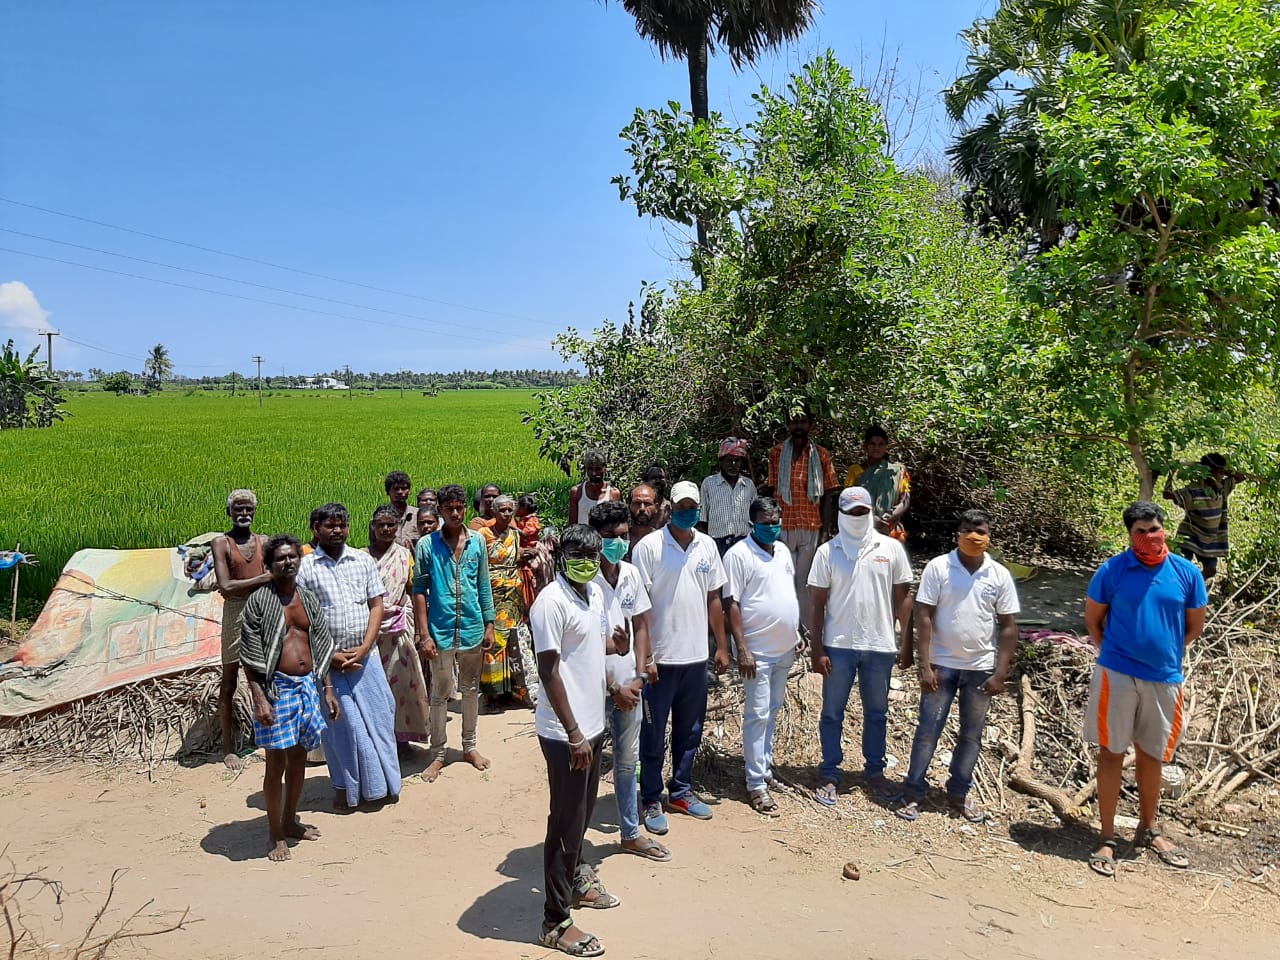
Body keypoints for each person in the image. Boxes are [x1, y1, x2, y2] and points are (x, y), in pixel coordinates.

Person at [1084, 501, 1206, 877]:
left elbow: (1194, 627)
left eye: (1155, 529)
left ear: (1163, 529)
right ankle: (1107, 837)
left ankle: (1148, 828)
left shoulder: (1187, 573)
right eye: (1142, 532)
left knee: (1153, 755)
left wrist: (1161, 653)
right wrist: (1120, 653)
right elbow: (1094, 620)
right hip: (1116, 674)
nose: (1150, 538)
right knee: (1111, 753)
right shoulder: (1112, 570)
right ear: (1130, 535)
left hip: (1165, 678)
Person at [530, 524, 621, 957]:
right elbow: (549, 670)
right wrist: (572, 733)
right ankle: (554, 921)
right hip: (567, 733)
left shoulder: (595, 592)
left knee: (580, 818)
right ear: (560, 555)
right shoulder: (550, 602)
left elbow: (583, 644)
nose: (586, 559)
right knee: (565, 823)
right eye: (577, 553)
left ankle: (573, 886)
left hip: (592, 724)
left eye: (592, 552)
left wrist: (612, 644)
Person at [895, 510, 1019, 824]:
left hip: (980, 670)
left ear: (989, 537)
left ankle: (959, 792)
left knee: (971, 736)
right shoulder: (939, 568)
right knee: (926, 732)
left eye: (980, 531)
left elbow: (1008, 626)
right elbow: (922, 616)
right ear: (957, 534)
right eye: (967, 530)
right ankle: (913, 792)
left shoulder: (999, 575)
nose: (974, 537)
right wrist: (925, 666)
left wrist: (1000, 672)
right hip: (941, 665)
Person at [631, 480, 729, 831]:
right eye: (681, 507)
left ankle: (682, 790)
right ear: (669, 509)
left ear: (699, 509)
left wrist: (720, 645)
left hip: (695, 658)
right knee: (653, 734)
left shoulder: (707, 546)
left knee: (691, 729)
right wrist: (645, 657)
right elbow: (638, 607)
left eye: (693, 507)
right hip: (660, 659)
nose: (688, 512)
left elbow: (714, 598)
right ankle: (650, 798)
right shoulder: (649, 547)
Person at [809, 487, 914, 807]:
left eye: (862, 512)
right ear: (841, 514)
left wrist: (906, 642)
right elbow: (817, 605)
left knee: (878, 713)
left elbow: (903, 598)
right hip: (838, 645)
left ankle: (875, 773)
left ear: (870, 511)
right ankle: (829, 773)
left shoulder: (891, 548)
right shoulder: (828, 552)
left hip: (880, 646)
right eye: (852, 512)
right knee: (831, 713)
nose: (858, 517)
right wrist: (817, 649)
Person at [239, 534, 339, 861]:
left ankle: (291, 820)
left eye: (293, 556)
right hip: (276, 689)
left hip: (308, 686)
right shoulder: (259, 601)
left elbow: (320, 644)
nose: (288, 562)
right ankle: (275, 833)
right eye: (280, 558)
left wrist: (327, 688)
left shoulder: (308, 599)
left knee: (299, 758)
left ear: (300, 559)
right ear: (269, 565)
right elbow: (250, 655)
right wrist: (259, 698)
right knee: (275, 763)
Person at [296, 502, 399, 810]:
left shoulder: (362, 561)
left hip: (365, 660)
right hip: (328, 664)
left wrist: (366, 647)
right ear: (316, 529)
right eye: (330, 525)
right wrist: (330, 656)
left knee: (380, 720)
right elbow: (302, 620)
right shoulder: (305, 569)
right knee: (343, 728)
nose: (337, 529)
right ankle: (346, 789)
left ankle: (386, 785)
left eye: (342, 524)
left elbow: (376, 606)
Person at [587, 499, 670, 861]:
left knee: (625, 762)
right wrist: (612, 688)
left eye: (623, 535)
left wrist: (638, 675)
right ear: (595, 538)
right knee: (586, 768)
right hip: (591, 690)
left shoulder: (631, 573)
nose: (618, 542)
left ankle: (630, 833)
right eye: (610, 536)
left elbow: (641, 625)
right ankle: (574, 845)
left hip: (630, 688)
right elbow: (579, 646)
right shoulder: (583, 580)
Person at [413, 484, 497, 782]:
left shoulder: (476, 543)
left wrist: (490, 624)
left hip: (473, 627)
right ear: (440, 511)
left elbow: (483, 585)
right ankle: (438, 753)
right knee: (440, 692)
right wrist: (423, 634)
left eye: (460, 507)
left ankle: (470, 747)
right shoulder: (426, 545)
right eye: (449, 508)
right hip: (440, 629)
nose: (455, 513)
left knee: (471, 690)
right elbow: (419, 591)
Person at [724, 497, 799, 817]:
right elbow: (731, 604)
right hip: (757, 653)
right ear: (751, 524)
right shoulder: (738, 555)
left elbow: (787, 591)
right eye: (766, 522)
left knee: (773, 709)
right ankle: (755, 784)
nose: (772, 527)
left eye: (776, 521)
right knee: (757, 714)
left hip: (784, 648)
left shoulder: (782, 550)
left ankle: (766, 769)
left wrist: (798, 632)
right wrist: (741, 648)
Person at [211, 489, 271, 770]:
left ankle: (265, 737)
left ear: (255, 512)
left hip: (261, 609)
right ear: (229, 513)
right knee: (230, 679)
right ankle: (227, 747)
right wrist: (266, 577)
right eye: (238, 509)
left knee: (265, 674)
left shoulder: (264, 542)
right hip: (235, 612)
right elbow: (226, 587)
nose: (244, 514)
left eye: (248, 509)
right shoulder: (221, 543)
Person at [365, 504, 430, 757]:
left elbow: (414, 588)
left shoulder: (404, 555)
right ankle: (377, 742)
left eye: (390, 524)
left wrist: (418, 631)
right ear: (373, 527)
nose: (385, 529)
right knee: (374, 687)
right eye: (380, 525)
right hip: (369, 632)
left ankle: (402, 739)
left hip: (399, 629)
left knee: (402, 685)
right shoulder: (362, 557)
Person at [767, 409, 839, 630]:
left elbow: (829, 495)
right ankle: (788, 629)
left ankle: (809, 631)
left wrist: (826, 531)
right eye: (794, 422)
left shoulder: (821, 454)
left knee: (806, 582)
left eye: (803, 422)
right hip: (783, 526)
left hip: (811, 526)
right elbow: (771, 491)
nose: (798, 426)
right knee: (784, 579)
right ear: (787, 424)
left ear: (811, 424)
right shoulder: (777, 453)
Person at [1163, 453, 1252, 580]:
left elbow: (1240, 477)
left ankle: (1193, 584)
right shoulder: (1194, 490)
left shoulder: (1222, 488)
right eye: (1213, 472)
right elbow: (1167, 494)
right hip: (1190, 535)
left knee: (1210, 570)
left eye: (1220, 473)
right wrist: (1172, 471)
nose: (1217, 476)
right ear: (1204, 472)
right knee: (1180, 566)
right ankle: (1176, 587)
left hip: (1211, 539)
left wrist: (1225, 471)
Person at [480, 494, 531, 708]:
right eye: (502, 510)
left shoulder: (514, 534)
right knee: (493, 642)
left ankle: (513, 691)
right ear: (493, 511)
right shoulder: (482, 534)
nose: (507, 514)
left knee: (513, 640)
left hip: (513, 594)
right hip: (493, 593)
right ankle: (493, 694)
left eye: (510, 510)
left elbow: (515, 557)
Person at [846, 426, 911, 542]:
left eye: (881, 444)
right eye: (872, 444)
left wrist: (888, 517)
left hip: (890, 529)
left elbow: (905, 500)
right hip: (862, 528)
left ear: (886, 446)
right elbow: (849, 501)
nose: (876, 448)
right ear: (865, 446)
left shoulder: (898, 470)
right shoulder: (855, 471)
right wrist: (872, 519)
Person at [699, 437, 757, 556]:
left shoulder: (748, 485)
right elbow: (702, 520)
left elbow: (756, 517)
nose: (733, 464)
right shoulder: (709, 484)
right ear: (721, 461)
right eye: (729, 460)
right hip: (717, 544)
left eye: (737, 460)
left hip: (744, 542)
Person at [569, 450, 621, 525]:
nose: (594, 473)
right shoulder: (577, 492)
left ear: (605, 468)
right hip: (582, 536)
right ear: (586, 469)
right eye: (590, 469)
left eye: (598, 469)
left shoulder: (613, 494)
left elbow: (616, 524)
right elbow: (572, 524)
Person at [384, 470, 419, 549]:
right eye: (396, 488)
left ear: (409, 491)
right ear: (388, 491)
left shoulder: (418, 515)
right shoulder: (381, 518)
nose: (400, 492)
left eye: (404, 488)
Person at [627, 483, 661, 554]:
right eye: (637, 503)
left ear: (656, 507)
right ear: (629, 505)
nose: (642, 508)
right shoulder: (620, 539)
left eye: (647, 504)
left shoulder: (662, 541)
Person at [642, 463, 673, 528]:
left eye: (661, 477)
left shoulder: (672, 508)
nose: (658, 480)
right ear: (646, 482)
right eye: (653, 478)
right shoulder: (641, 508)